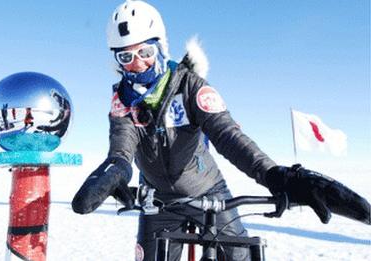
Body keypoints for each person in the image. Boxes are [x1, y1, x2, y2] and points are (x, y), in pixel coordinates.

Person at [72, 1, 370, 261]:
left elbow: (227, 135)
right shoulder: (122, 100)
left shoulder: (191, 86)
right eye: (126, 57)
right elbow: (122, 146)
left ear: (161, 45)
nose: (137, 64)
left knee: (240, 255)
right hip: (159, 201)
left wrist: (273, 174)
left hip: (208, 190)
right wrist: (116, 170)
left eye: (145, 51)